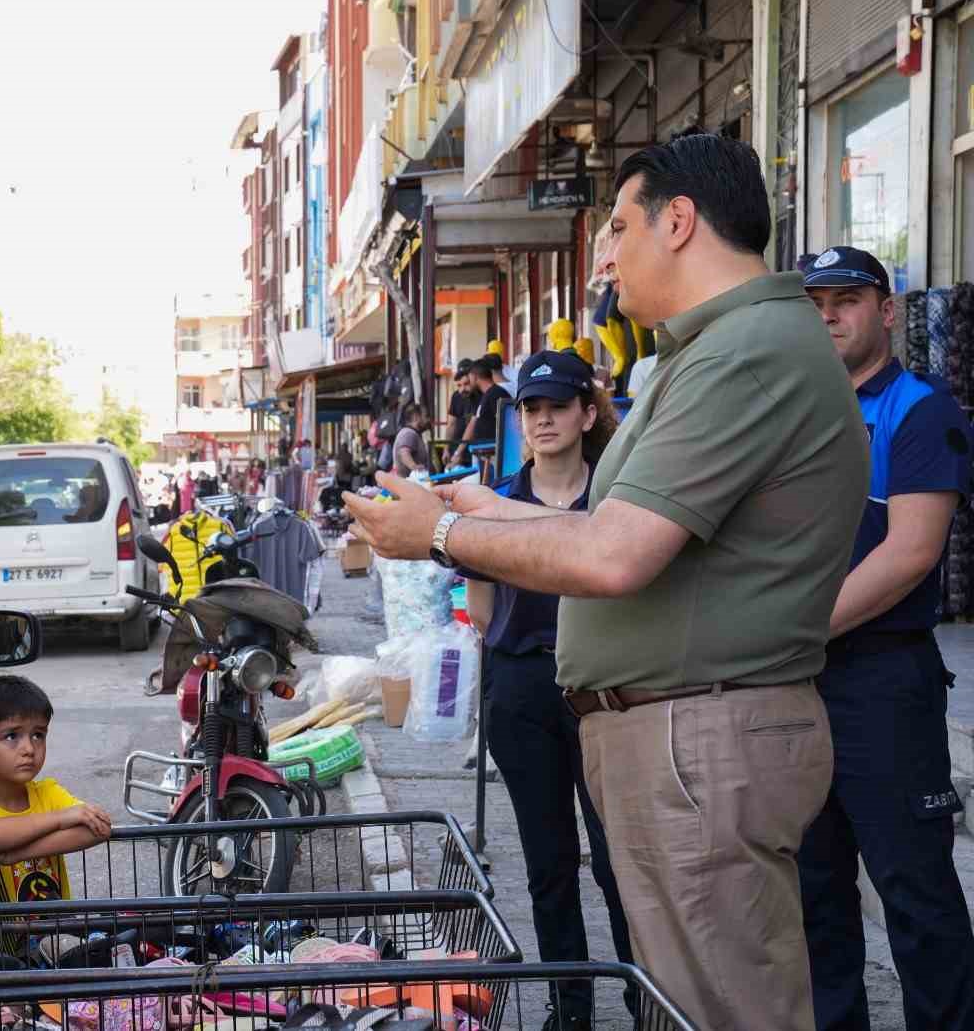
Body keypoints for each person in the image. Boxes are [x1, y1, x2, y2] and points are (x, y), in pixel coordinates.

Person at [344, 132, 867, 1030]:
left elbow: (612, 556)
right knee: (690, 998)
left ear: (679, 221)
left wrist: (442, 534)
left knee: (723, 1008)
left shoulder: (742, 353)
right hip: (682, 733)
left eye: (618, 226)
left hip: (700, 736)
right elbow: (607, 528)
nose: (605, 253)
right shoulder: (710, 350)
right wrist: (480, 511)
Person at [798, 246, 974, 1030]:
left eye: (847, 300)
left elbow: (911, 554)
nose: (829, 316)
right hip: (795, 685)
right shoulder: (792, 413)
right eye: (816, 303)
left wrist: (786, 633)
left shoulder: (920, 407)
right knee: (813, 896)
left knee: (916, 897)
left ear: (887, 309)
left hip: (880, 684)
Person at [461, 351, 634, 1030]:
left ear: (587, 414)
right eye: (531, 409)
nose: (543, 420)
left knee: (620, 862)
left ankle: (643, 999)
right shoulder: (495, 501)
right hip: (524, 688)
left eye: (557, 406)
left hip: (607, 687)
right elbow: (480, 606)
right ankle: (570, 1009)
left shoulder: (618, 500)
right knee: (548, 863)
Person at [0, 675, 111, 970]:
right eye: (11, 736)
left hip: (55, 946)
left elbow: (98, 828)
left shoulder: (48, 792)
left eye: (38, 735)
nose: (29, 749)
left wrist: (16, 854)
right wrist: (61, 818)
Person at [447, 360, 511, 480]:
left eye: (469, 378)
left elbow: (507, 423)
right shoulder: (487, 395)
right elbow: (474, 423)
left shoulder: (496, 394)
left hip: (493, 456)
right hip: (484, 455)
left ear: (474, 376)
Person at [446, 359, 479, 468]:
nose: (462, 389)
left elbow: (472, 426)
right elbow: (451, 424)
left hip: (475, 451)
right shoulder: (456, 396)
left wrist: (457, 452)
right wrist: (447, 449)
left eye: (466, 384)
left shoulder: (480, 396)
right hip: (457, 450)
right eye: (459, 385)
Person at [392, 403, 433, 480]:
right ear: (416, 417)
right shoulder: (409, 433)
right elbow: (404, 453)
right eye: (426, 416)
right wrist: (414, 467)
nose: (428, 420)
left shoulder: (412, 433)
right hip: (408, 484)